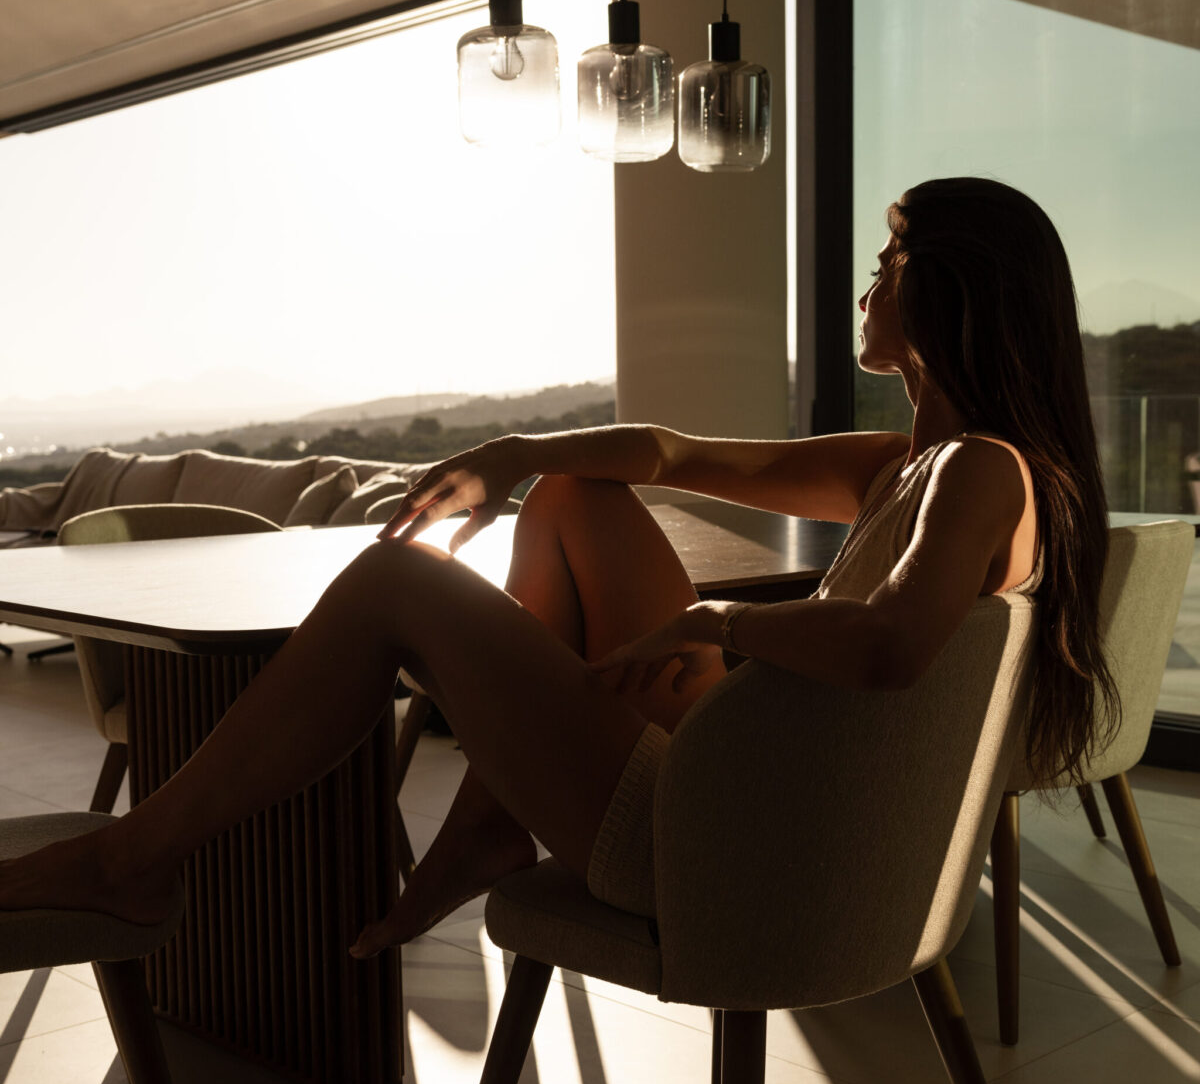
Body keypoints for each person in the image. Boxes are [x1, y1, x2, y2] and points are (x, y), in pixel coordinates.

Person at [0, 177, 1117, 951]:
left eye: (893, 260)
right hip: (772, 796)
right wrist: (513, 455)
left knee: (394, 586)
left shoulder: (976, 470)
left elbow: (891, 648)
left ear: (958, 292)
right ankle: (489, 821)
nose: (871, 284)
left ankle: (130, 862)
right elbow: (679, 451)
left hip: (742, 853)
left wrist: (719, 621)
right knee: (579, 491)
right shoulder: (913, 462)